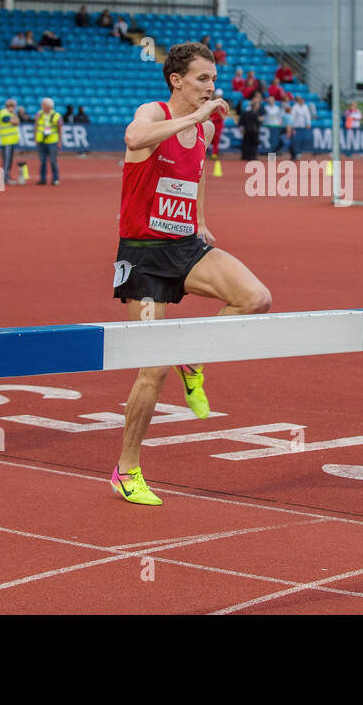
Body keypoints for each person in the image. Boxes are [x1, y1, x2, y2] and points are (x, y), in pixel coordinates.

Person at [110, 41, 271, 505]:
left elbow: (196, 172)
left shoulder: (204, 129)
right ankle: (127, 469)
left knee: (255, 297)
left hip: (184, 245)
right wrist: (197, 117)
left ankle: (194, 356)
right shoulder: (154, 111)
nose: (212, 87)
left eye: (214, 79)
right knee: (152, 369)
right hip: (142, 253)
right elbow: (134, 140)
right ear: (177, 80)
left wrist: (198, 219)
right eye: (203, 79)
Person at [35, 97, 62, 185]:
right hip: (41, 141)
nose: (42, 106)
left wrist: (59, 141)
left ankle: (55, 178)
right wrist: (36, 137)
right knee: (42, 161)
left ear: (48, 106)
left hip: (52, 141)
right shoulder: (39, 114)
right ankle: (43, 179)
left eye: (44, 104)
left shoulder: (56, 115)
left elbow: (60, 129)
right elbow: (36, 126)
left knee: (53, 161)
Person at [0, 98, 22, 185]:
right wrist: (14, 117)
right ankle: (5, 177)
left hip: (11, 141)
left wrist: (14, 116)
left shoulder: (11, 113)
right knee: (7, 160)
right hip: (6, 141)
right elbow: (13, 121)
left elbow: (17, 122)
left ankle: (7, 176)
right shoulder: (3, 113)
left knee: (10, 160)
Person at [237, 91, 261, 162]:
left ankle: (245, 156)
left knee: (246, 143)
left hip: (246, 130)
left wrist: (241, 127)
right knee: (253, 144)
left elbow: (241, 121)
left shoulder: (246, 112)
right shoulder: (256, 114)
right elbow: (257, 122)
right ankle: (252, 156)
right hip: (254, 130)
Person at [288, 94, 313, 160]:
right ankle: (296, 153)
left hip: (303, 126)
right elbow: (292, 117)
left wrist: (308, 123)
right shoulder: (295, 107)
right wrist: (291, 125)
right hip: (296, 126)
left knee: (302, 140)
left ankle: (299, 152)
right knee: (296, 140)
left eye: (302, 99)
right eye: (300, 99)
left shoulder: (305, 106)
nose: (301, 101)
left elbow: (308, 116)